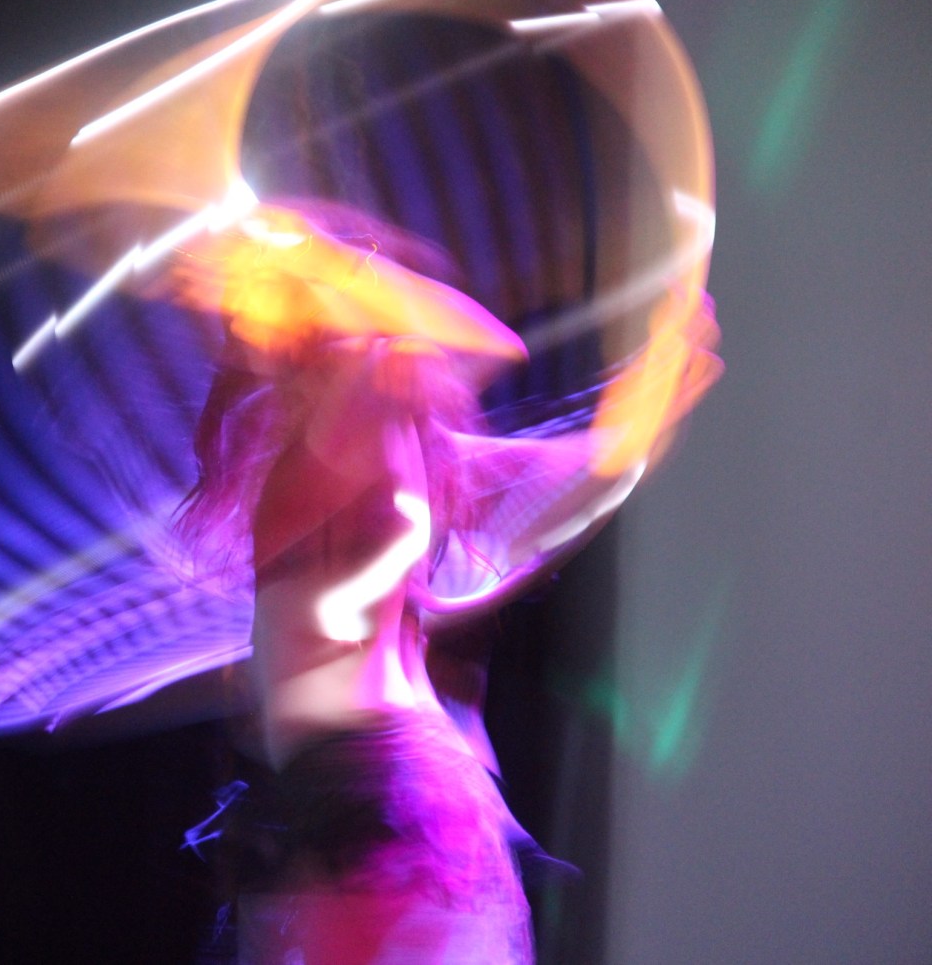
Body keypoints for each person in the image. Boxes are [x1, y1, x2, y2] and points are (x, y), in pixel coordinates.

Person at [170, 202, 719, 963]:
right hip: (353, 807)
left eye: (253, 289)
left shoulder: (361, 398)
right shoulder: (359, 444)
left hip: (380, 804)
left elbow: (485, 345)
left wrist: (311, 254)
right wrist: (647, 403)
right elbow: (600, 464)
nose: (232, 307)